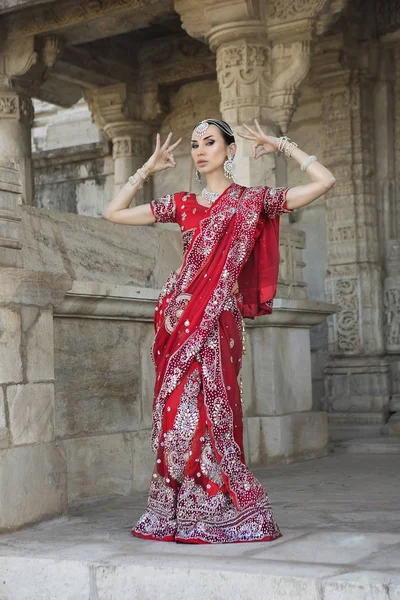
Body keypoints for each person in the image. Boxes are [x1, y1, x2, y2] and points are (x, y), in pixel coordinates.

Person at [102, 118, 336, 544]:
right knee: (174, 416)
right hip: (177, 319)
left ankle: (214, 505)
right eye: (194, 144)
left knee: (214, 413)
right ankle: (173, 508)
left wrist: (282, 145)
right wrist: (146, 170)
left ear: (230, 150)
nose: (200, 150)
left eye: (210, 142)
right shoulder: (183, 204)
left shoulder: (252, 202)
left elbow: (324, 181)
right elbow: (112, 213)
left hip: (218, 321)